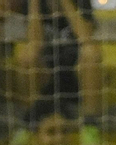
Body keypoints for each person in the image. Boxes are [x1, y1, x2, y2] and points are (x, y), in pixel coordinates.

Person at [15, 0, 103, 129]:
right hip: (46, 72)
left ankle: (90, 125)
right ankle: (28, 124)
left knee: (92, 52)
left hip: (76, 72)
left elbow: (86, 37)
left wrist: (66, 3)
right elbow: (35, 42)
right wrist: (34, 5)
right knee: (27, 56)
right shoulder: (34, 4)